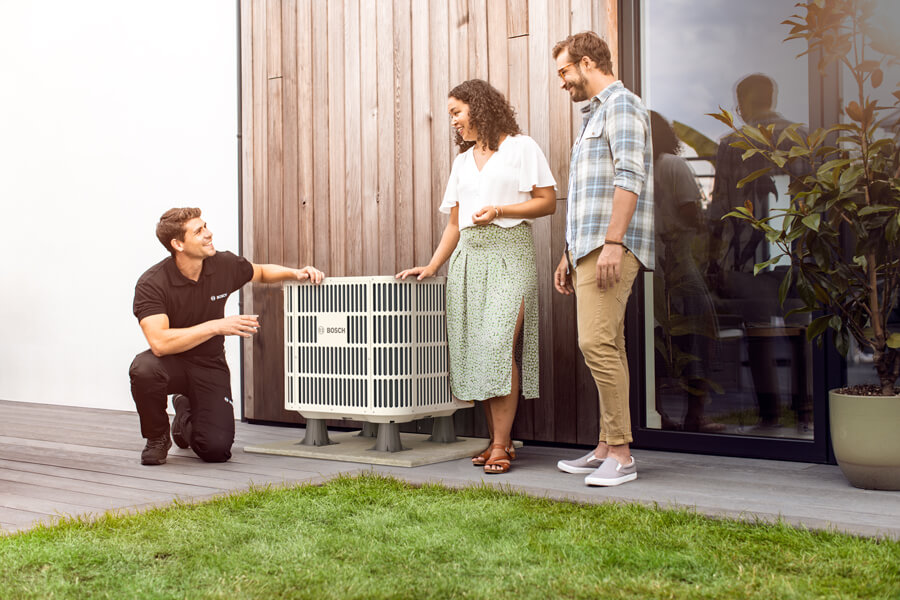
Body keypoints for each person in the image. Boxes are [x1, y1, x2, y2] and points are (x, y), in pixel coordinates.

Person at [397, 79, 556, 474]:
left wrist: (500, 210)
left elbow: (548, 202)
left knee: (498, 345)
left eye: (457, 112)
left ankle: (501, 444)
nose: (452, 120)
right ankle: (498, 442)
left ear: (480, 107)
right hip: (468, 259)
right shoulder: (462, 162)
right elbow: (455, 223)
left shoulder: (522, 147)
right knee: (476, 350)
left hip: (509, 254)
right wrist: (433, 265)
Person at [130, 207, 324, 465]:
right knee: (143, 368)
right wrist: (217, 326)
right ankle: (157, 438)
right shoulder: (152, 283)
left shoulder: (223, 264)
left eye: (206, 226)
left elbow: (261, 272)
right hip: (171, 362)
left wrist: (296, 273)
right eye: (199, 231)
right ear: (178, 244)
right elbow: (160, 343)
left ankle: (183, 417)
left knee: (215, 450)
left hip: (209, 364)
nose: (209, 234)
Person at [552, 32, 653, 486]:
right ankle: (605, 446)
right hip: (588, 248)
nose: (562, 82)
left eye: (564, 72)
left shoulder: (623, 106)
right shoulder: (595, 115)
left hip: (611, 247)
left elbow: (629, 179)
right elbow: (587, 196)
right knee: (608, 344)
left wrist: (613, 242)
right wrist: (569, 252)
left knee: (595, 344)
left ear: (587, 63)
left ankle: (623, 456)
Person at [707, 74, 810, 431]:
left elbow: (721, 203)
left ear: (743, 103)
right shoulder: (803, 136)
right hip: (797, 250)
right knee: (802, 334)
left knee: (760, 334)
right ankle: (805, 414)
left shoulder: (732, 142)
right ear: (772, 96)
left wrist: (711, 254)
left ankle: (769, 417)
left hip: (747, 255)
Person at [649, 111, 721, 433]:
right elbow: (692, 214)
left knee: (656, 339)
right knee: (700, 334)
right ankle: (696, 415)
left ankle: (658, 413)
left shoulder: (636, 169)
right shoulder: (673, 165)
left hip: (650, 263)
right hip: (678, 258)